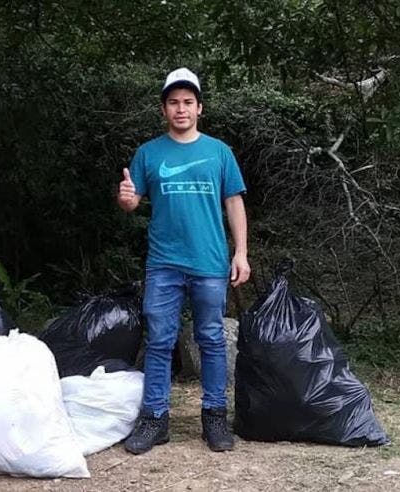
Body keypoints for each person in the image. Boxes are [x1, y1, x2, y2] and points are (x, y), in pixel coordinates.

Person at [117, 68, 250, 454]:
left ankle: (214, 419)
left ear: (199, 108)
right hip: (163, 263)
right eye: (173, 102)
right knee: (158, 340)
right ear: (164, 110)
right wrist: (126, 198)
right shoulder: (148, 153)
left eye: (188, 102)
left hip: (209, 262)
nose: (181, 109)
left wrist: (240, 253)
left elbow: (234, 202)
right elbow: (131, 202)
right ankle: (155, 419)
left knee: (210, 339)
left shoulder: (219, 151)